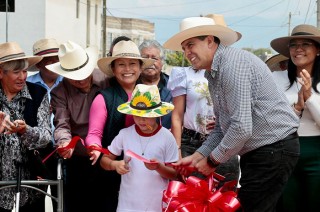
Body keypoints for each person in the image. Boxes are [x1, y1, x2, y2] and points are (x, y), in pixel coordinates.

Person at [163, 16, 300, 211]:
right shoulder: (213, 73)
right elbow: (221, 127)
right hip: (265, 150)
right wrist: (197, 156)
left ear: (210, 41)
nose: (186, 52)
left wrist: (211, 161)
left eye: (190, 45)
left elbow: (241, 128)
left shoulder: (232, 65)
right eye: (184, 48)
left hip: (273, 148)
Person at [167, 14, 240, 183]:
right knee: (189, 198)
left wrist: (224, 122)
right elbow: (177, 115)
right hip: (191, 142)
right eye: (185, 46)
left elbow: (241, 115)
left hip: (224, 143)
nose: (187, 52)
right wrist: (177, 149)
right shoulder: (183, 74)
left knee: (224, 200)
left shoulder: (232, 71)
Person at [85, 40, 154, 211]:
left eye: (132, 64)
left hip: (143, 172)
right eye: (121, 65)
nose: (127, 69)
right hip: (110, 169)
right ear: (114, 69)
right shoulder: (104, 97)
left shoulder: (150, 94)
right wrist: (94, 147)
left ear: (139, 67)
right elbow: (94, 133)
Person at [46, 40, 109, 212]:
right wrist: (65, 143)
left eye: (83, 73)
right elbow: (61, 123)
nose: (80, 79)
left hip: (109, 155)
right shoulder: (59, 92)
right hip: (78, 159)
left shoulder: (106, 80)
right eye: (74, 76)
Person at [100, 84, 178, 212]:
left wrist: (159, 167)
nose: (142, 120)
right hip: (127, 205)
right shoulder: (125, 134)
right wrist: (115, 164)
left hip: (156, 205)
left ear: (157, 114)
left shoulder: (167, 137)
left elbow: (175, 174)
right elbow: (104, 160)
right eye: (137, 115)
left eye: (146, 116)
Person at [270, 24, 320, 212]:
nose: (298, 49)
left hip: (317, 152)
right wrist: (298, 106)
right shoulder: (276, 78)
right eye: (293, 44)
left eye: (305, 43)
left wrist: (309, 97)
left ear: (317, 50)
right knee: (287, 204)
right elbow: (274, 120)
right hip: (284, 150)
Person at [0, 42, 51, 212]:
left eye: (24, 71)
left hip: (31, 185)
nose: (22, 77)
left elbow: (45, 137)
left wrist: (25, 130)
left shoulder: (38, 94)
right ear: (1, 73)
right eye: (16, 72)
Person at [27, 38, 63, 211]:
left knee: (62, 197)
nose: (54, 63)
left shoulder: (68, 83)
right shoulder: (28, 84)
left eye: (57, 59)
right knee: (36, 198)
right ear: (39, 64)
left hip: (63, 149)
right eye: (49, 60)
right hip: (37, 150)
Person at [138, 39, 172, 129]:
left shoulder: (173, 86)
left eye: (154, 58)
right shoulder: (131, 86)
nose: (150, 62)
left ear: (162, 62)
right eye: (145, 58)